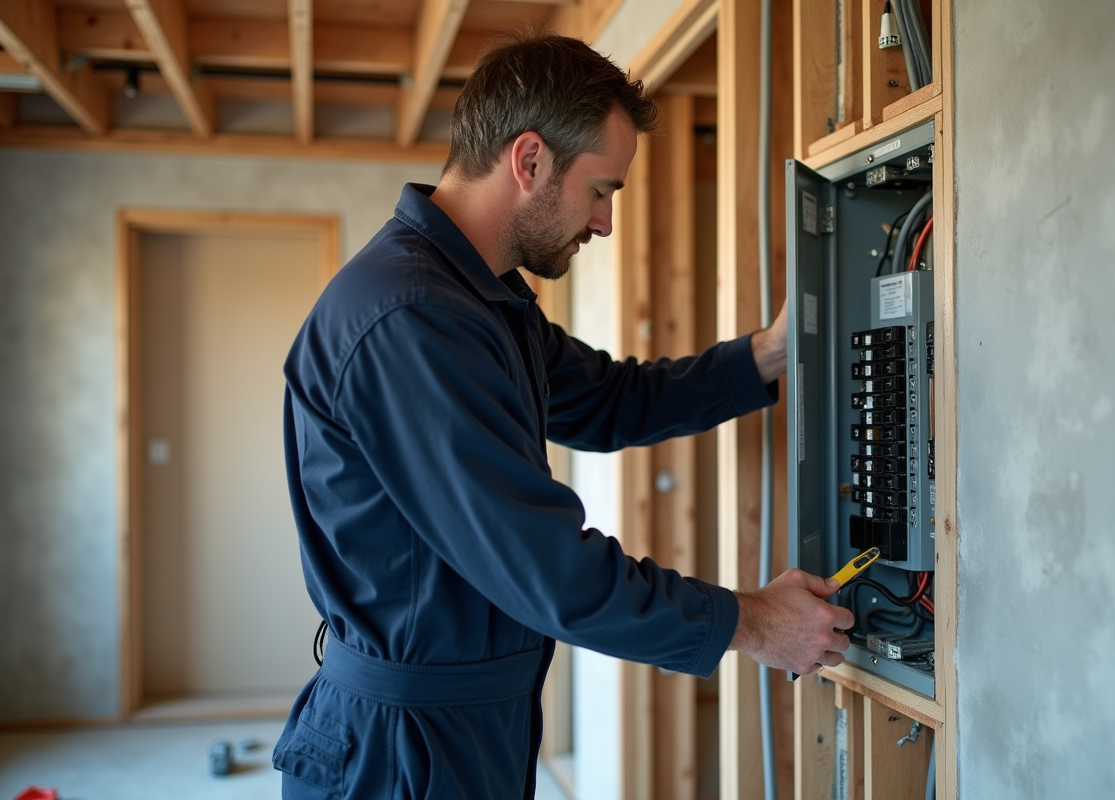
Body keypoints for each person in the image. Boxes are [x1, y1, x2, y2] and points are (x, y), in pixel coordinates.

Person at [272, 31, 854, 800]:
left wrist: (768, 354)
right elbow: (547, 569)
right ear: (530, 161)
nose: (606, 221)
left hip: (464, 725)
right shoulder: (410, 319)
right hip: (398, 749)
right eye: (603, 189)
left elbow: (614, 400)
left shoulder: (483, 301)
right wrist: (751, 622)